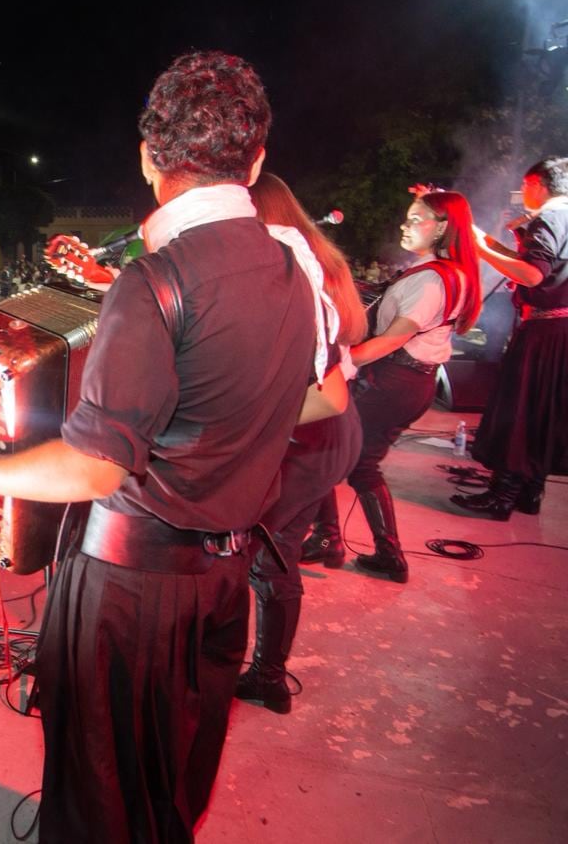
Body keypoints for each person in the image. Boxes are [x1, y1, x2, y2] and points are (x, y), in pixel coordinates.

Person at [0, 51, 315, 842]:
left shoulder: (157, 283)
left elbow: (94, 465)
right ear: (256, 161)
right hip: (225, 578)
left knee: (101, 792)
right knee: (174, 780)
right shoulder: (290, 267)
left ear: (149, 158)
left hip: (132, 590)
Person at [235, 173, 367, 714]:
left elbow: (325, 393)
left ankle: (268, 676)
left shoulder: (291, 276)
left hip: (314, 432)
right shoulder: (320, 261)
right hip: (332, 435)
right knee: (279, 546)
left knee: (269, 556)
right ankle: (269, 671)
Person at [303, 189, 481, 582]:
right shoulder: (449, 272)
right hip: (411, 381)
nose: (405, 225)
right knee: (343, 454)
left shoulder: (432, 280)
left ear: (442, 228)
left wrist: (342, 362)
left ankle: (344, 543)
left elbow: (392, 339)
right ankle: (360, 547)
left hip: (396, 380)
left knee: (328, 449)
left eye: (416, 218)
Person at [455, 157, 568, 519]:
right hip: (560, 331)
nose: (524, 194)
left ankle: (502, 495)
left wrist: (481, 250)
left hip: (544, 330)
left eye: (526, 186)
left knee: (519, 409)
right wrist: (487, 240)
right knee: (542, 413)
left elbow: (534, 276)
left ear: (537, 183)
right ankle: (529, 493)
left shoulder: (550, 218)